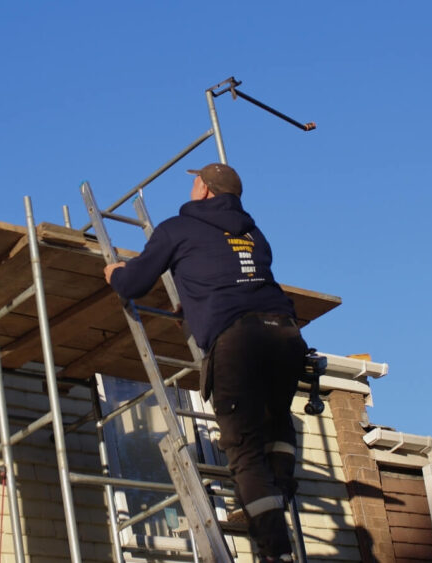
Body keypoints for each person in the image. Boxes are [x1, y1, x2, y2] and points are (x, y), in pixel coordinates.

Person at [103, 163, 308, 563]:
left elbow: (133, 285)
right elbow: (234, 277)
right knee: (276, 419)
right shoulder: (254, 234)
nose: (193, 185)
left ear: (207, 190)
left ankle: (275, 551)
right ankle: (278, 492)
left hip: (238, 342)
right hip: (285, 333)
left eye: (197, 180)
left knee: (245, 451)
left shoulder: (177, 228)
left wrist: (115, 272)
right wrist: (196, 305)